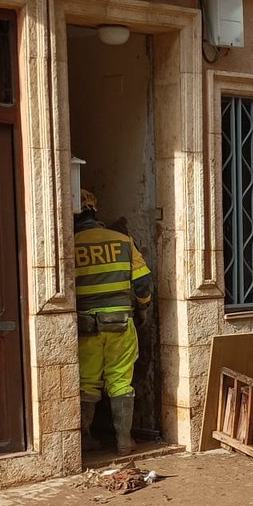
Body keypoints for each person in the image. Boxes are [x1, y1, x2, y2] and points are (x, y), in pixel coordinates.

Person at [74, 189, 153, 455]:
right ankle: (124, 440)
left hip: (85, 328)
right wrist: (143, 310)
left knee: (87, 383)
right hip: (120, 324)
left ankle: (84, 440)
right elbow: (143, 284)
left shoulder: (68, 244)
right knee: (120, 381)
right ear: (95, 210)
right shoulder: (122, 240)